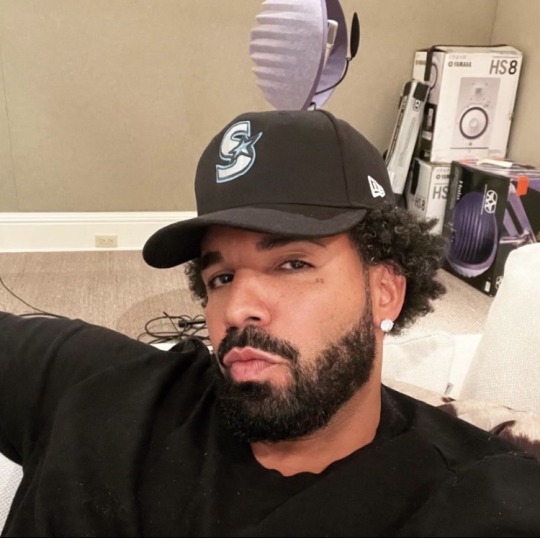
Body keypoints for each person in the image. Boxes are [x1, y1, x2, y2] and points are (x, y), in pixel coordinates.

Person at [1, 109, 540, 537]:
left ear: (385, 291)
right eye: (220, 277)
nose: (236, 309)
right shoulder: (93, 382)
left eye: (292, 264)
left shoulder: (474, 501)